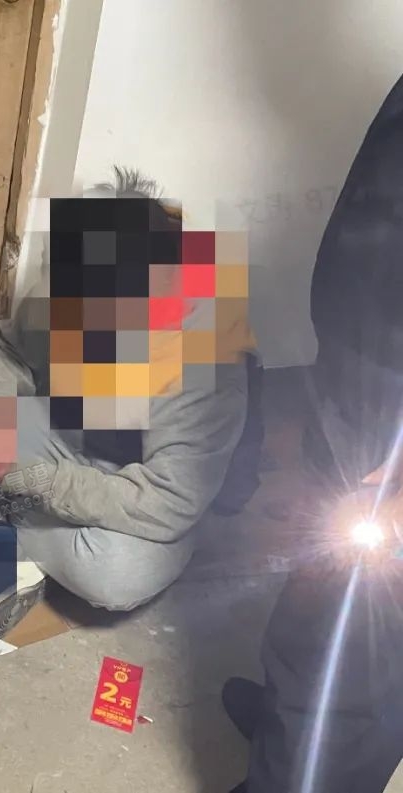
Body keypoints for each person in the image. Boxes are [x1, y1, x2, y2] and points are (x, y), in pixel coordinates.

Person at [0, 169, 255, 641]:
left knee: (115, 576)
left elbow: (168, 502)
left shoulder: (209, 359)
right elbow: (9, 351)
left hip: (133, 488)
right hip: (68, 434)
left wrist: (27, 478)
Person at [223, 73, 403, 793]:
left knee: (358, 652)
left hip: (390, 447)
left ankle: (305, 773)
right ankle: (287, 734)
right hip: (361, 392)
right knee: (314, 599)